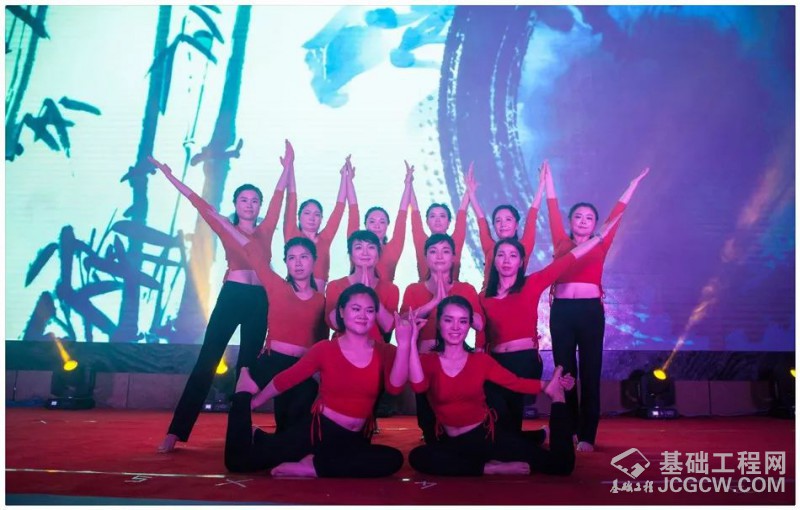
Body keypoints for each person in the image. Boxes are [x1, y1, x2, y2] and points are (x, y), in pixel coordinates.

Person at [148, 153, 282, 453]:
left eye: (255, 201)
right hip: (232, 296)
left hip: (259, 301)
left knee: (247, 369)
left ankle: (240, 431)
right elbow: (197, 201)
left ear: (259, 206)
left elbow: (279, 197)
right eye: (244, 200)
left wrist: (287, 168)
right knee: (207, 360)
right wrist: (169, 175)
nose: (249, 204)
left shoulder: (265, 229)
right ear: (235, 204)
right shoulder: (224, 225)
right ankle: (175, 432)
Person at [224, 284, 410, 478]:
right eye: (356, 309)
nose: (363, 315)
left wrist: (405, 343)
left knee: (393, 460)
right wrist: (252, 402)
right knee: (240, 462)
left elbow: (395, 388)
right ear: (342, 312)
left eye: (370, 310)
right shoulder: (325, 349)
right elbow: (288, 378)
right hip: (319, 432)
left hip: (357, 438)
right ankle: (243, 395)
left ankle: (313, 466)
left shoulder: (385, 351)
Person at [479, 212, 623, 436]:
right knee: (498, 430)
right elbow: (479, 335)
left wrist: (598, 238)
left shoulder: (531, 284)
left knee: (507, 429)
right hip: (496, 363)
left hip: (524, 362)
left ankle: (556, 435)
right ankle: (535, 437)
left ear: (521, 262)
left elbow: (570, 258)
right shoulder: (483, 297)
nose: (506, 261)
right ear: (493, 261)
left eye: (513, 255)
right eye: (501, 255)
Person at [407, 296, 577, 477]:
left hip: (485, 437)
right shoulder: (427, 361)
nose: (456, 327)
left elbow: (515, 382)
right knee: (418, 457)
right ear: (439, 324)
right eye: (449, 320)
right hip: (448, 441)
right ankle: (491, 468)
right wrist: (410, 341)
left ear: (469, 326)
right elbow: (418, 388)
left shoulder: (480, 361)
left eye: (463, 321)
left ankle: (553, 411)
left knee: (561, 466)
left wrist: (548, 386)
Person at [544, 161, 649, 452]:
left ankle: (587, 435)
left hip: (590, 313)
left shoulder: (601, 243)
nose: (583, 221)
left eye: (589, 218)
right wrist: (548, 179)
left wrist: (633, 185)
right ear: (570, 222)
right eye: (578, 217)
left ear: (595, 224)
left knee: (590, 372)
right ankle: (570, 429)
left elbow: (618, 214)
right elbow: (551, 208)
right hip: (562, 313)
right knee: (565, 373)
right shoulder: (561, 242)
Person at [399, 234, 483, 442]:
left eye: (445, 251)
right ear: (425, 257)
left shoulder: (465, 289)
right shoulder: (413, 289)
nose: (439, 256)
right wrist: (434, 301)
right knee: (429, 425)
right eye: (433, 251)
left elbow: (479, 324)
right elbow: (402, 323)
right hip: (424, 362)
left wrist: (453, 302)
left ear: (453, 257)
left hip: (456, 362)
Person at [282, 141, 352, 289]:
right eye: (307, 213)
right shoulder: (292, 234)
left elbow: (339, 208)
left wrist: (345, 178)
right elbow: (291, 198)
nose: (312, 218)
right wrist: (290, 166)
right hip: (293, 296)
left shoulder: (325, 238)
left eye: (317, 214)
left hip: (319, 298)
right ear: (299, 217)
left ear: (321, 219)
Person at [466, 163, 545, 290]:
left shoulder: (524, 246)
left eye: (508, 219)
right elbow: (481, 219)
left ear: (516, 225)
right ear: (494, 226)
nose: (503, 224)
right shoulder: (490, 247)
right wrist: (471, 193)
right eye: (498, 221)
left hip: (513, 298)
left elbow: (532, 215)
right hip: (486, 299)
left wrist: (541, 185)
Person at [345, 158, 413, 283]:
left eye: (382, 222)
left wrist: (408, 184)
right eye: (372, 222)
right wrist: (348, 180)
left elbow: (402, 214)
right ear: (365, 225)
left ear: (387, 226)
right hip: (354, 294)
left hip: (386, 295)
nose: (377, 226)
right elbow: (353, 209)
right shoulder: (355, 242)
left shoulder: (393, 248)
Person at [324, 230, 399, 344]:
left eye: (371, 247)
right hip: (341, 347)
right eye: (359, 248)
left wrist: (371, 295)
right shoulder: (335, 286)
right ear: (350, 254)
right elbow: (334, 324)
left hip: (375, 349)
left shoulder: (391, 289)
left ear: (378, 254)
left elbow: (388, 327)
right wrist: (356, 292)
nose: (365, 253)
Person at [409, 161, 470, 281]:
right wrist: (408, 184)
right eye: (432, 216)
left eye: (442, 216)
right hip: (424, 292)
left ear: (449, 222)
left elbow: (462, 213)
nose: (437, 220)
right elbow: (415, 212)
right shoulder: (421, 240)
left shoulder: (455, 241)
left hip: (453, 292)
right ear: (427, 222)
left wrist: (469, 189)